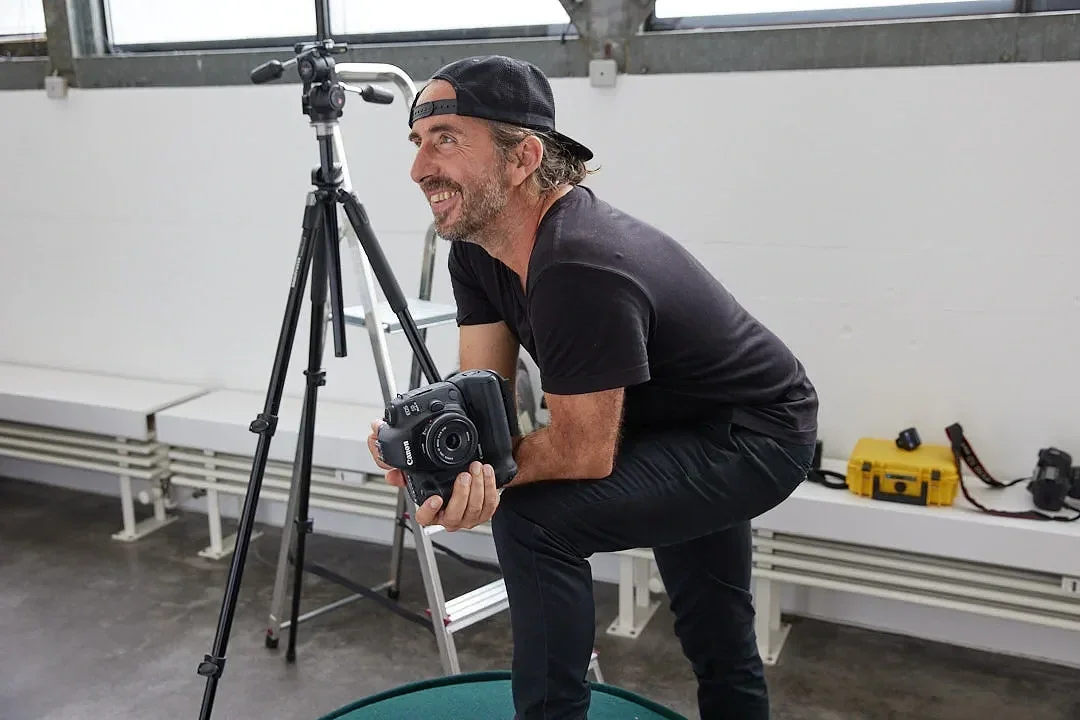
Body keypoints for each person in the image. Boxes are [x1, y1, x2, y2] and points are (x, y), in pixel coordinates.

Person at [366, 55, 819, 720]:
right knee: (715, 628)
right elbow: (483, 402)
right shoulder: (477, 247)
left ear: (522, 158)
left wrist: (476, 480)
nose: (419, 168)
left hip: (756, 434)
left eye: (446, 141)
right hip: (661, 422)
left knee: (534, 522)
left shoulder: (576, 262)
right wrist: (425, 453)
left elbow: (583, 454)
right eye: (418, 143)